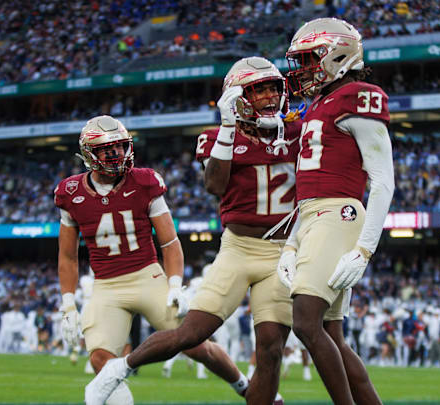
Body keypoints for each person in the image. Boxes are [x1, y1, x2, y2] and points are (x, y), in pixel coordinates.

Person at [83, 56, 299, 405]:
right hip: (240, 249)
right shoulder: (215, 137)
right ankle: (118, 369)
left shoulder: (300, 130)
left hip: (284, 250)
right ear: (237, 97)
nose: (270, 96)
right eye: (259, 90)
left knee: (271, 349)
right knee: (191, 333)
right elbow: (214, 184)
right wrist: (229, 128)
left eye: (274, 87)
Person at [55, 115, 245, 405]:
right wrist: (68, 303)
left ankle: (244, 386)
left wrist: (174, 284)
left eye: (119, 147)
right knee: (99, 359)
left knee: (195, 344)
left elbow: (169, 242)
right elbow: (68, 256)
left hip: (147, 276)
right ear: (89, 155)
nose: (116, 154)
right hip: (106, 285)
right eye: (107, 149)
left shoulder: (144, 181)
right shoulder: (70, 193)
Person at [276, 17, 394, 405]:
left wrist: (364, 250)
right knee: (331, 334)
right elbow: (308, 192)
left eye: (310, 60)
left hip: (338, 214)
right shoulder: (319, 103)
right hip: (313, 216)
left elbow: (382, 180)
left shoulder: (357, 95)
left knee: (305, 322)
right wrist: (292, 244)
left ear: (338, 54)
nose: (305, 70)